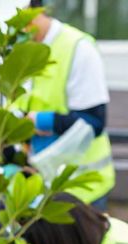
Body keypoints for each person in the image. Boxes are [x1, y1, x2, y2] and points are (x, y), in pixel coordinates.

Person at [20, 0, 115, 209]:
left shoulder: (77, 48)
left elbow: (94, 121)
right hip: (40, 185)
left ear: (34, 10)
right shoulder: (19, 48)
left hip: (83, 191)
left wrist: (41, 121)